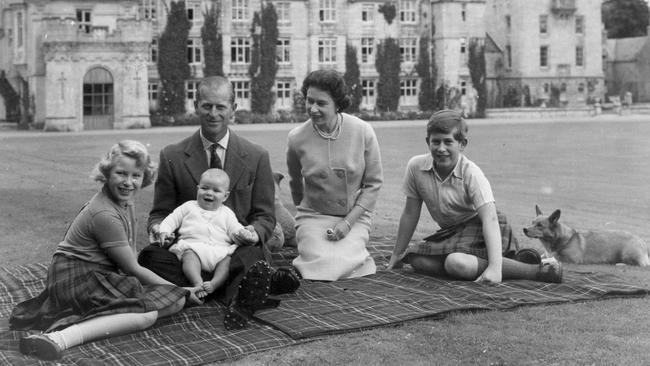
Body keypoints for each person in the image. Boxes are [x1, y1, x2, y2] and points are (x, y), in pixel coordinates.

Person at [10, 140, 202, 361]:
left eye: (136, 175)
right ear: (107, 173)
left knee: (173, 301)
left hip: (97, 273)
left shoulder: (125, 202)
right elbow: (133, 269)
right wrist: (184, 290)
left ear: (144, 177)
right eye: (121, 173)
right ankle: (59, 338)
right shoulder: (104, 214)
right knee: (148, 315)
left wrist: (177, 293)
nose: (128, 183)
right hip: (74, 276)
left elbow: (131, 255)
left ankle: (97, 318)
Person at [138, 76, 300, 330]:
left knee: (253, 254)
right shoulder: (172, 155)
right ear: (196, 106)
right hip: (189, 254)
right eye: (207, 106)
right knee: (149, 257)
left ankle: (205, 291)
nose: (213, 113)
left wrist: (252, 233)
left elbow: (266, 217)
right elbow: (160, 213)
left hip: (234, 253)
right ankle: (242, 289)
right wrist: (159, 231)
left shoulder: (257, 156)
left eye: (221, 107)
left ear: (233, 110)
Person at [386, 110, 562, 284]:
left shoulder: (471, 173)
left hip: (484, 228)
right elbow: (410, 213)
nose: (441, 149)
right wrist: (396, 254)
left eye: (448, 142)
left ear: (462, 144)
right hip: (452, 233)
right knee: (416, 259)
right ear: (427, 142)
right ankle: (513, 262)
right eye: (436, 142)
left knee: (456, 263)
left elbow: (490, 219)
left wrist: (494, 269)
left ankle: (537, 270)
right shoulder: (416, 167)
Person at [286, 69, 383, 281]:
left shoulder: (363, 131)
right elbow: (295, 184)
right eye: (309, 101)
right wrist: (306, 217)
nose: (313, 109)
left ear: (337, 104)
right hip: (313, 216)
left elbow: (373, 184)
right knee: (319, 260)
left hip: (354, 217)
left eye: (321, 103)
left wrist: (348, 222)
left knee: (346, 262)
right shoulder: (296, 138)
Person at [154, 168, 257, 299]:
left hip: (219, 252)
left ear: (225, 196)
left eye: (216, 190)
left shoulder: (227, 213)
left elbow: (235, 229)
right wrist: (164, 231)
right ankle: (197, 282)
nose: (209, 193)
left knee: (227, 261)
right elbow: (172, 219)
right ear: (198, 189)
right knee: (189, 257)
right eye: (205, 188)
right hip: (194, 248)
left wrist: (244, 233)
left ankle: (215, 283)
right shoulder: (189, 207)